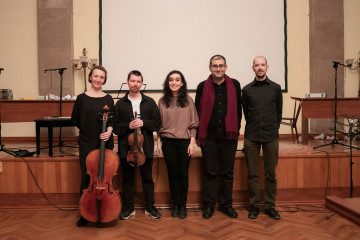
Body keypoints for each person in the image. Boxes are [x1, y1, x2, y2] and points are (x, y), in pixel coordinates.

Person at [195, 55, 242, 219]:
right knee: (209, 172)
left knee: (228, 173)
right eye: (215, 66)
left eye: (221, 66)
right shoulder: (202, 86)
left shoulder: (235, 85)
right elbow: (197, 111)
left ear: (226, 67)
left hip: (229, 137)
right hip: (208, 138)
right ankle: (209, 205)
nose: (218, 69)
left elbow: (238, 110)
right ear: (210, 68)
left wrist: (235, 130)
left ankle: (226, 205)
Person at [113, 70, 162, 220]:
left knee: (147, 178)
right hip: (126, 149)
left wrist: (144, 123)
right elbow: (115, 127)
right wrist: (128, 125)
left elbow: (157, 123)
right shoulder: (120, 103)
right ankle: (128, 208)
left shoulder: (149, 102)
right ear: (127, 82)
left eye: (138, 81)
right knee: (127, 179)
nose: (135, 84)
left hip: (144, 147)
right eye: (132, 81)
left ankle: (150, 207)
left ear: (142, 83)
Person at [71, 65, 115, 227]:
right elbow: (75, 119)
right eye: (96, 76)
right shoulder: (81, 98)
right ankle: (85, 213)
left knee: (103, 177)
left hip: (104, 142)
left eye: (101, 77)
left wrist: (109, 131)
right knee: (87, 177)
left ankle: (104, 210)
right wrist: (87, 129)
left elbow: (112, 120)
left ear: (104, 80)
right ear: (90, 77)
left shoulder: (108, 99)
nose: (98, 79)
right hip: (87, 143)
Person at [242, 56, 283, 220]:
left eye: (262, 65)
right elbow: (246, 111)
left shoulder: (276, 88)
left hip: (270, 135)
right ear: (253, 68)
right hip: (251, 135)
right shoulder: (246, 90)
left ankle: (270, 206)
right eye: (257, 65)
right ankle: (254, 206)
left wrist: (273, 127)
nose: (260, 68)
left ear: (267, 67)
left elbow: (279, 112)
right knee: (252, 174)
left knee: (270, 174)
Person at [156, 70, 199, 219]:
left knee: (183, 174)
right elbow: (158, 125)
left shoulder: (188, 100)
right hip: (168, 142)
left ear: (182, 83)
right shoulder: (162, 101)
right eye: (171, 80)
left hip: (184, 142)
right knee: (172, 175)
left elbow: (194, 124)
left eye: (177, 79)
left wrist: (192, 143)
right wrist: (158, 144)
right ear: (168, 83)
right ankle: (176, 205)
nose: (174, 82)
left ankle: (183, 205)